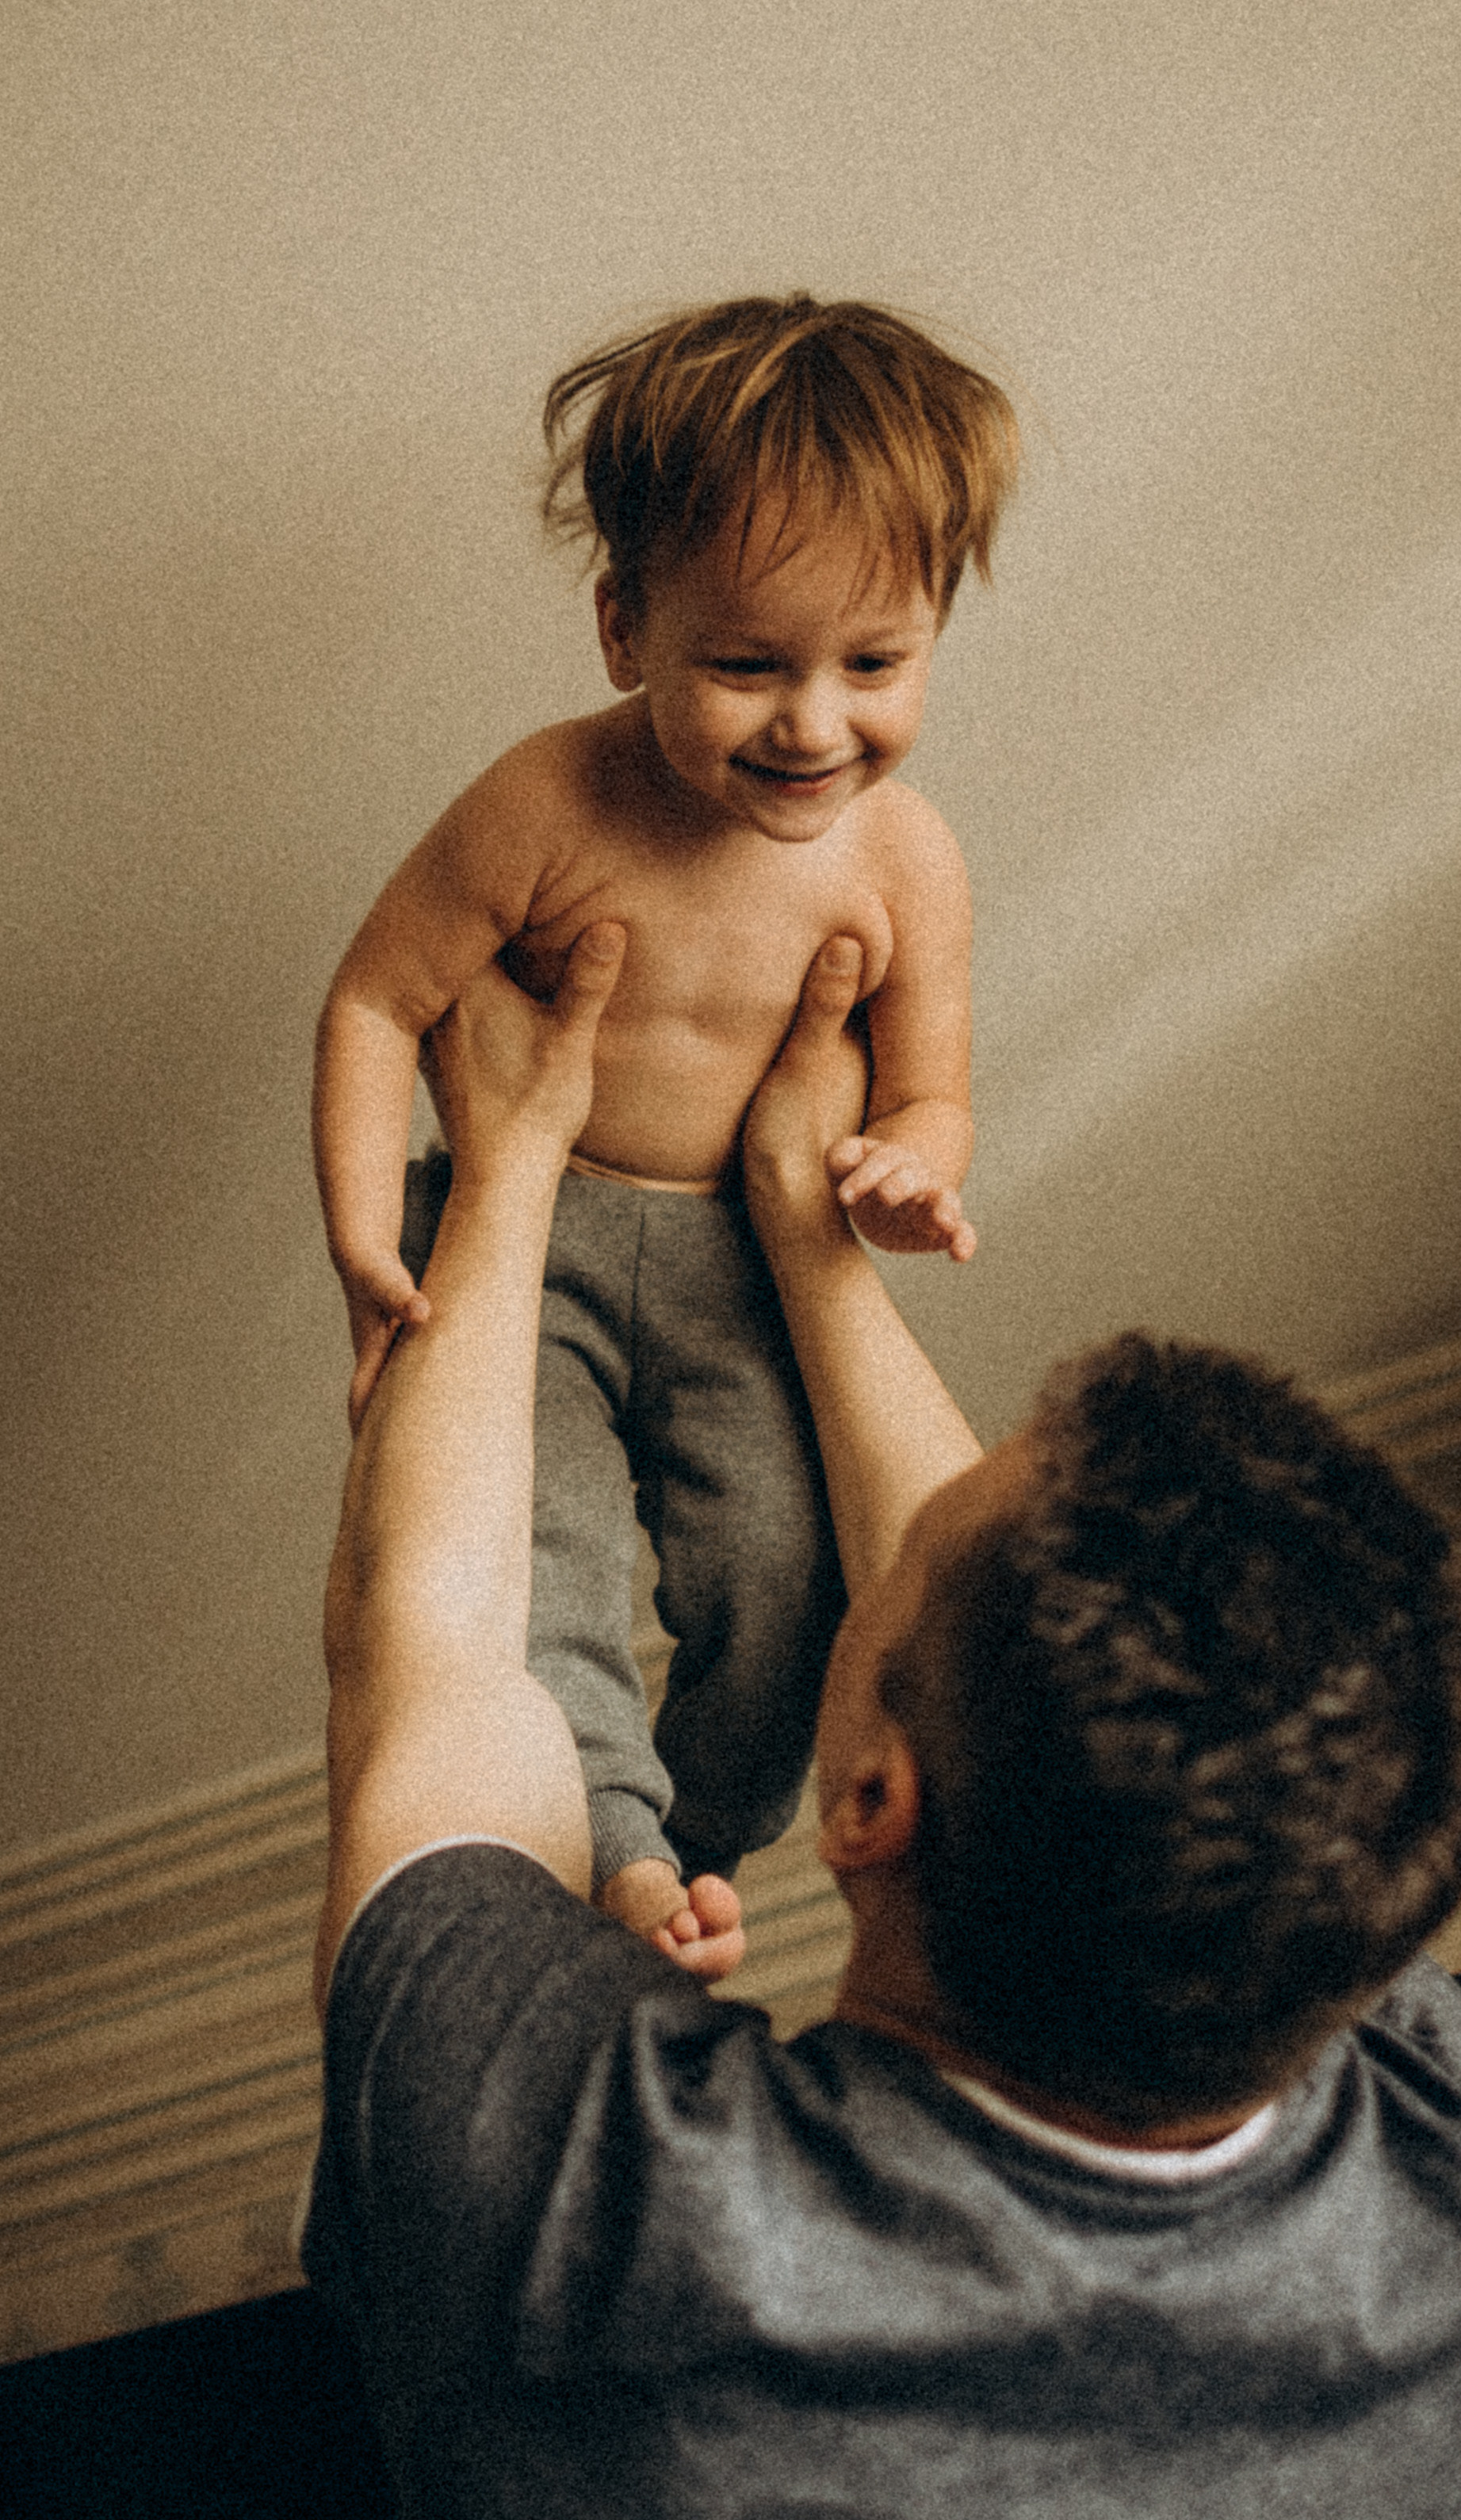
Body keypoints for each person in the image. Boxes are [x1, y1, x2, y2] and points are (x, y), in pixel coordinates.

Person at [304, 927, 1461, 2520]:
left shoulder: (607, 2233)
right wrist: (800, 1221)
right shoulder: (1438, 2112)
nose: (892, 1537)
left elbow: (434, 1663)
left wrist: (506, 1162)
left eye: (887, 1584)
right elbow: (1016, 1642)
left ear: (863, 1806)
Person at [312, 293, 1019, 1950]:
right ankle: (608, 1844)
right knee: (528, 1567)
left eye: (875, 663)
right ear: (627, 628)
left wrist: (911, 1171)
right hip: (527, 1238)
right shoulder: (546, 803)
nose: (813, 723)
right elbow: (376, 1001)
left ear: (934, 631)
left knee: (788, 1583)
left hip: (736, 1262)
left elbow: (930, 1086)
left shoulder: (906, 860)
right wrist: (361, 1239)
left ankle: (678, 1835)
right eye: (747, 665)